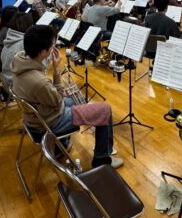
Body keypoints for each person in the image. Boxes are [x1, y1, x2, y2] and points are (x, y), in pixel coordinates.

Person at [11, 25, 122, 168]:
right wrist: (56, 70)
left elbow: (52, 96)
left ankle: (61, 144)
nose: (54, 48)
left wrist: (58, 92)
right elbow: (57, 100)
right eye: (51, 47)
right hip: (47, 124)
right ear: (43, 52)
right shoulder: (39, 82)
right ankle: (102, 159)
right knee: (104, 110)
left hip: (33, 118)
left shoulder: (19, 60)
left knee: (72, 100)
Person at [1, 13, 34, 81]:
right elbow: (35, 66)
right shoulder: (23, 43)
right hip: (15, 81)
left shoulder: (10, 36)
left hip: (5, 77)